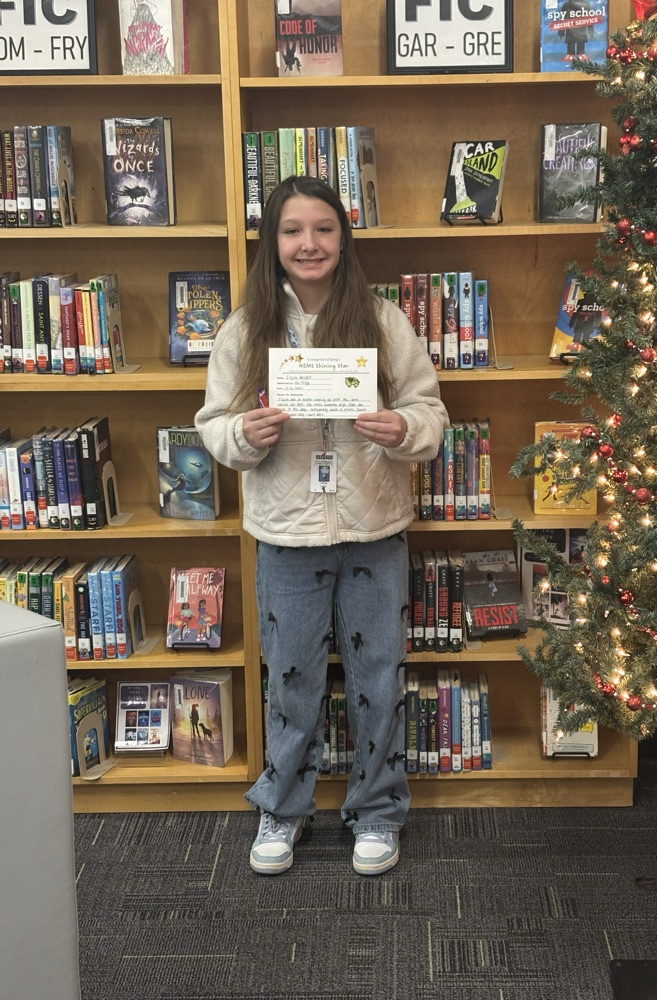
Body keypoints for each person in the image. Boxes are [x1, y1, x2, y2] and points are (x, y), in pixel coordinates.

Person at [195, 175, 448, 877]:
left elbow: (433, 416)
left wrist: (402, 428)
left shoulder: (383, 320)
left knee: (377, 675)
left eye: (324, 229)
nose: (309, 244)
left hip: (374, 529)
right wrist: (244, 434)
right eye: (293, 230)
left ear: (344, 237)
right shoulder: (244, 329)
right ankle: (283, 807)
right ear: (272, 243)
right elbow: (213, 427)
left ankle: (377, 811)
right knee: (292, 680)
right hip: (286, 534)